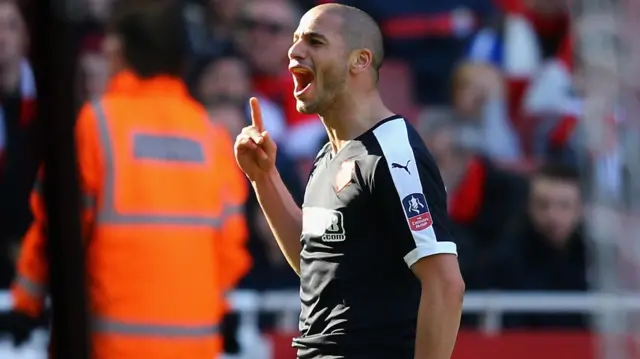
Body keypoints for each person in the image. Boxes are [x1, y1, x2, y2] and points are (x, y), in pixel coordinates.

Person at [2, 1, 250, 358]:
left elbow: (54, 228)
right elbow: (227, 244)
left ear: (119, 50)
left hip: (109, 347)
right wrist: (223, 310)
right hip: (194, 345)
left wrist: (27, 303)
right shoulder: (208, 134)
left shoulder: (98, 126)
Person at [235, 4, 465, 359]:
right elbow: (316, 262)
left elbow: (445, 283)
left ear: (359, 60)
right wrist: (264, 179)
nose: (294, 51)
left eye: (314, 41)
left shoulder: (392, 154)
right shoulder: (330, 153)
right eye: (295, 41)